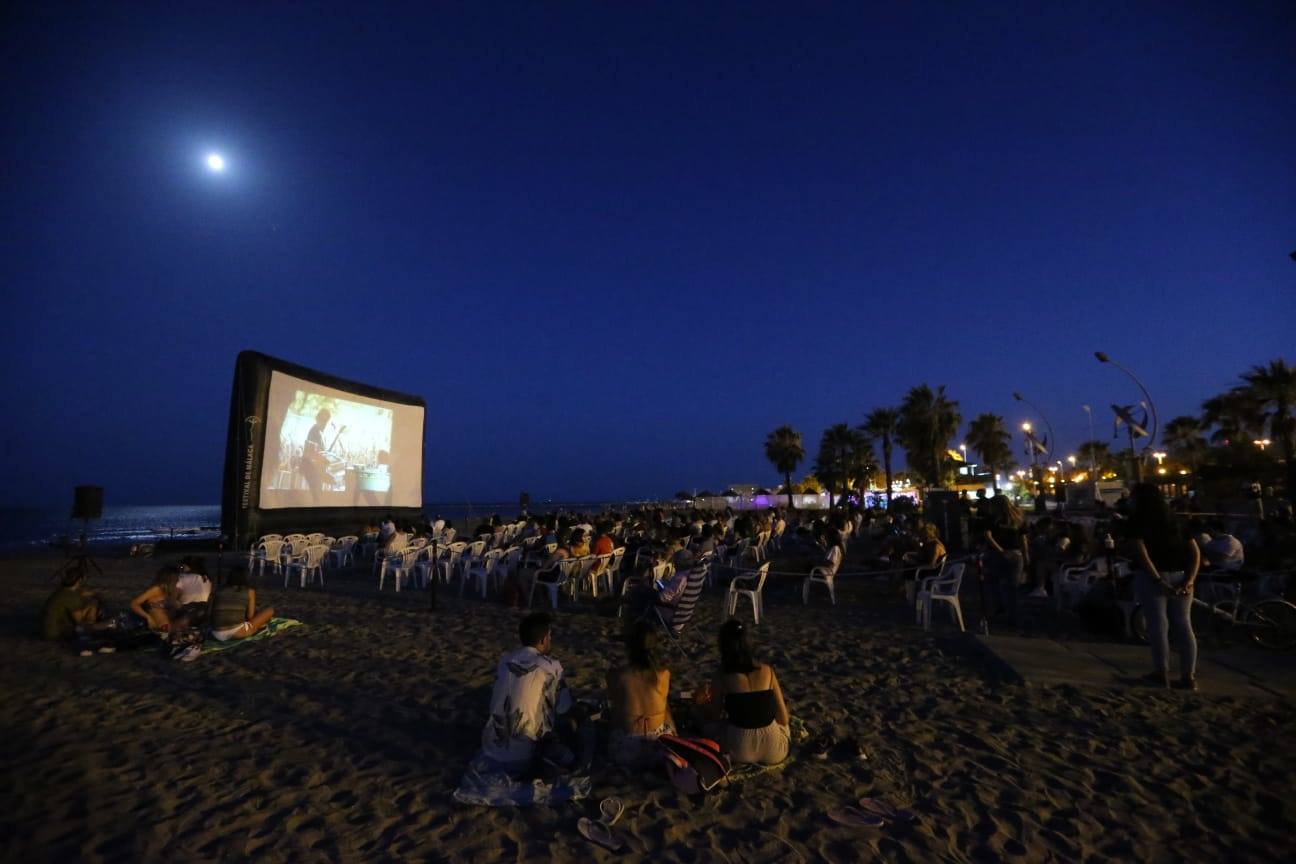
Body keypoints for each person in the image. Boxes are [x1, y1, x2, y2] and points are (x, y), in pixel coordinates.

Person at [1124, 483, 1200, 690]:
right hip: (1181, 576)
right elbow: (1195, 552)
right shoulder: (1175, 520)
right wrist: (1190, 579)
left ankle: (1161, 673)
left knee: (1158, 626)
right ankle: (1188, 676)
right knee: (1184, 626)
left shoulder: (1137, 521)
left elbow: (1142, 554)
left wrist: (1158, 580)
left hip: (1153, 579)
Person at [481, 613, 574, 770]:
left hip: (490, 747)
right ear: (543, 639)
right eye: (550, 636)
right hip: (525, 753)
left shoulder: (505, 661)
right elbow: (564, 708)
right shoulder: (551, 666)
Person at [699, 619, 790, 765]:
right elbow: (784, 719)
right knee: (784, 727)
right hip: (774, 751)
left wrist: (701, 703)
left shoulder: (721, 675)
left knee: (709, 728)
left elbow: (714, 716)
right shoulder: (768, 671)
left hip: (739, 750)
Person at [606, 620, 675, 767]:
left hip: (628, 750)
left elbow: (616, 710)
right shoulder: (664, 674)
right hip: (660, 748)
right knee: (665, 708)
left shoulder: (617, 676)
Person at [980, 495, 1028, 631]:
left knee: (992, 584)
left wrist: (1000, 550)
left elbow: (987, 536)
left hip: (996, 554)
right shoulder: (1018, 518)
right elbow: (1023, 540)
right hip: (1016, 554)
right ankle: (1014, 617)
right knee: (1013, 588)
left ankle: (996, 610)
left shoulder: (992, 519)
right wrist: (1026, 557)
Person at [209, 566, 275, 641]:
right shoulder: (249, 591)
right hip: (236, 633)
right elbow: (250, 616)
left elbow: (211, 611)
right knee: (270, 610)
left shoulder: (220, 590)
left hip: (215, 633)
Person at [41, 565, 100, 640]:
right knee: (92, 607)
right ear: (79, 580)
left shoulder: (63, 591)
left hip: (47, 630)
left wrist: (93, 594)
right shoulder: (71, 597)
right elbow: (79, 620)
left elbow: (81, 592)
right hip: (55, 634)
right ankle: (90, 633)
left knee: (89, 605)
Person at [300, 408, 336, 501]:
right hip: (310, 468)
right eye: (324, 421)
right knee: (316, 497)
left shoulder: (320, 432)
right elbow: (311, 452)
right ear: (318, 419)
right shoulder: (314, 431)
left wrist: (326, 457)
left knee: (318, 496)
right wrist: (324, 459)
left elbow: (319, 451)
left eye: (327, 421)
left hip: (315, 469)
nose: (326, 424)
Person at [130, 566, 179, 634]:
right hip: (158, 626)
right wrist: (148, 618)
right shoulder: (156, 589)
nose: (178, 579)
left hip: (167, 626)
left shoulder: (171, 590)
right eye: (176, 578)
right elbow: (134, 603)